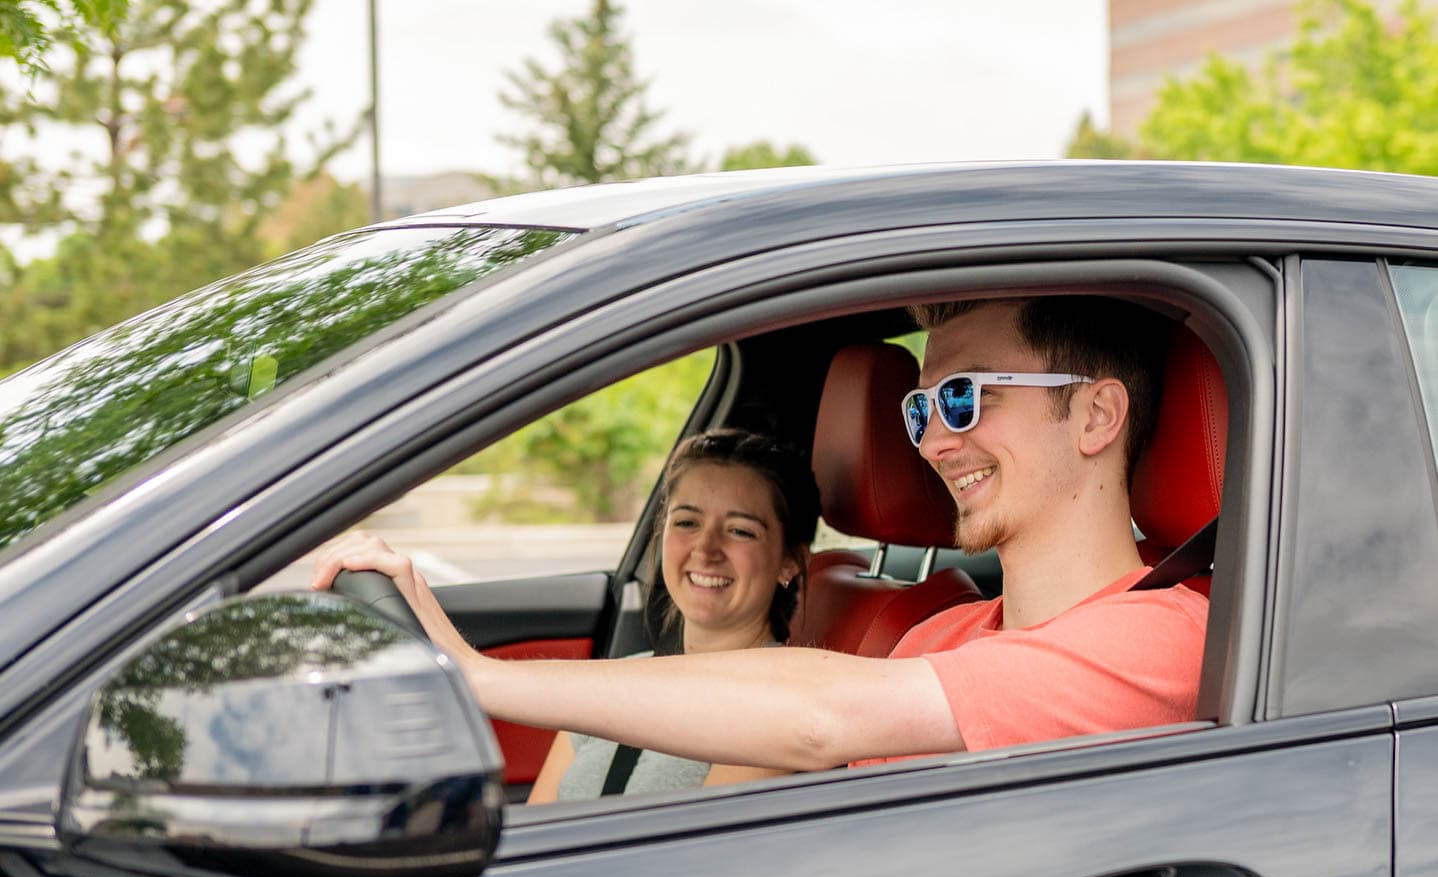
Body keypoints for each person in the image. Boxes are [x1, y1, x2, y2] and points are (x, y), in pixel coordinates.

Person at [313, 296, 1209, 774]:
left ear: (1096, 414)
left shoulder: (1168, 637)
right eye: (921, 406)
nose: (936, 438)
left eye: (968, 395)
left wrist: (479, 676)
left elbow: (823, 714)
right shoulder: (939, 635)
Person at [526, 429, 821, 802]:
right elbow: (535, 824)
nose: (706, 548)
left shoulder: (779, 706)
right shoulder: (621, 678)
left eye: (740, 530)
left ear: (790, 561)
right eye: (686, 522)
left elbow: (690, 855)